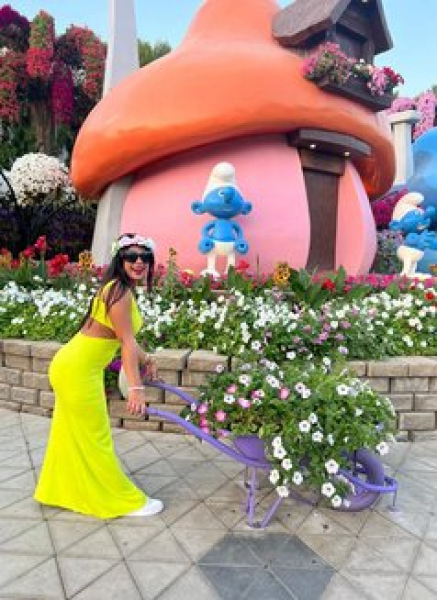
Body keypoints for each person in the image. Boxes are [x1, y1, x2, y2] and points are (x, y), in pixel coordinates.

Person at [34, 233, 164, 518]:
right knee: (96, 437)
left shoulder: (118, 289)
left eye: (145, 257)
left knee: (71, 434)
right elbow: (126, 343)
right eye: (131, 257)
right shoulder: (118, 292)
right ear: (120, 260)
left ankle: (59, 491)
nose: (139, 262)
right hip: (77, 371)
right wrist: (136, 389)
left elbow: (123, 338)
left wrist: (147, 359)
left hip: (75, 367)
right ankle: (124, 501)